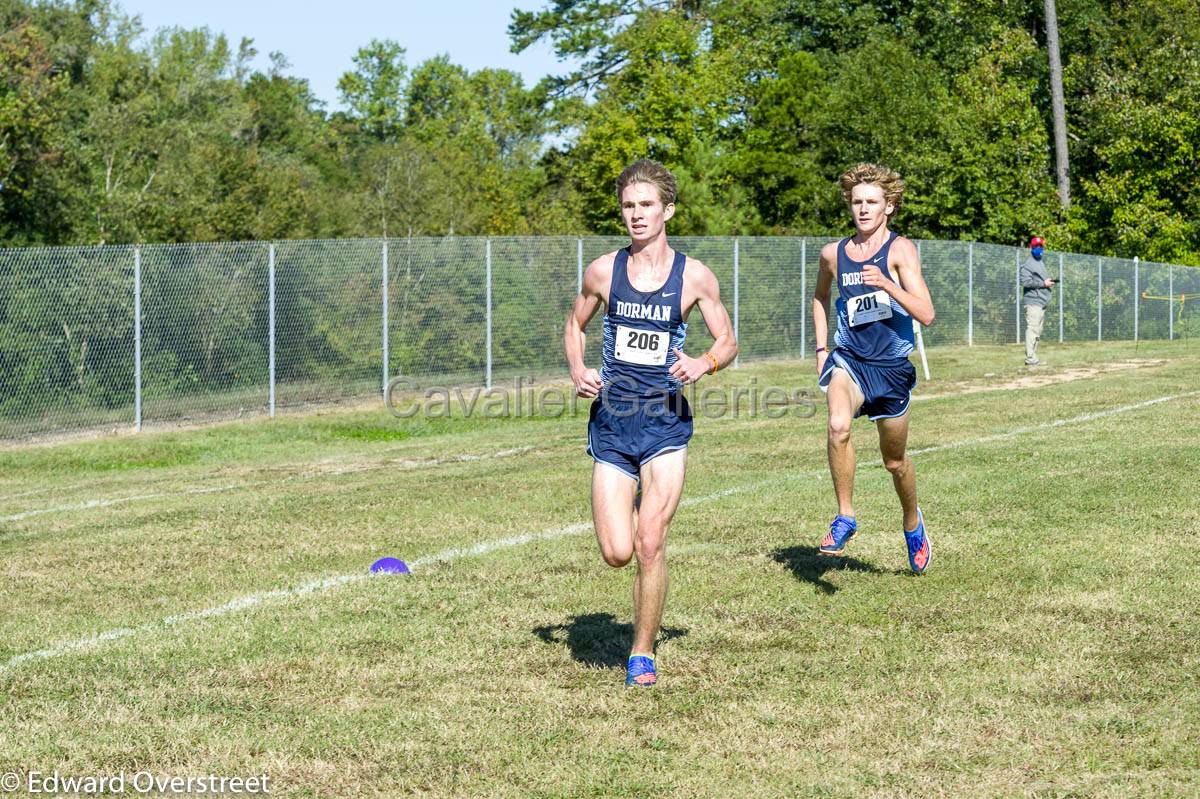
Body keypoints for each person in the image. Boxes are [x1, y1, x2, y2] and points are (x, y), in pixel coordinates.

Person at [563, 158, 738, 687]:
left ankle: (642, 652)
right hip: (613, 423)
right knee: (618, 552)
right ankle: (633, 508)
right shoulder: (602, 271)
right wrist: (578, 369)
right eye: (628, 206)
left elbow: (728, 341)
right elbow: (574, 326)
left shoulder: (695, 277)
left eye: (646, 205)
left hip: (665, 423)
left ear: (668, 210)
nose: (636, 215)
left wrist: (702, 363)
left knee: (651, 541)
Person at [811, 163, 936, 573]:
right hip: (848, 359)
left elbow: (927, 314)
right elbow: (819, 298)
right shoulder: (833, 254)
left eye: (872, 202)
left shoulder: (901, 251)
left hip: (891, 368)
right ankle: (845, 515)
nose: (863, 209)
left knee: (894, 462)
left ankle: (912, 522)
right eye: (857, 201)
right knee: (837, 426)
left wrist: (886, 284)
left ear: (889, 207)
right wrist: (821, 346)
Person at [1020, 236, 1057, 366]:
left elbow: (1040, 281)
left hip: (1041, 302)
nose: (1039, 249)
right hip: (1033, 302)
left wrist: (1047, 282)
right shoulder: (1028, 264)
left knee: (1038, 330)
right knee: (1033, 329)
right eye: (1036, 246)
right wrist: (1043, 283)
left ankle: (1033, 357)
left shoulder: (1040, 262)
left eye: (1041, 246)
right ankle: (1030, 358)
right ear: (1031, 247)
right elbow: (1025, 281)